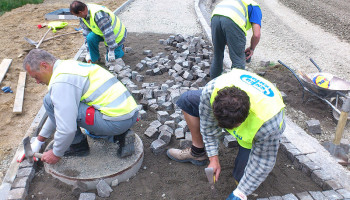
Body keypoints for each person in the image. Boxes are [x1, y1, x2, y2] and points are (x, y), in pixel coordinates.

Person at [167, 68, 286, 200]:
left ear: (244, 117)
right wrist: (213, 158)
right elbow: (208, 127)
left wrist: (241, 192)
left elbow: (263, 162)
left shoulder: (268, 123)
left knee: (242, 179)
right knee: (187, 100)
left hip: (259, 129)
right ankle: (198, 153)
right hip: (230, 106)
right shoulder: (211, 91)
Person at [18, 49, 139, 165]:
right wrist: (39, 141)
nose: (37, 82)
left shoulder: (61, 81)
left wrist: (56, 153)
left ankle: (78, 146)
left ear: (44, 65)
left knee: (51, 101)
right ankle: (120, 136)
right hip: (130, 114)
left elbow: (67, 127)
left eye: (36, 77)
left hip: (116, 121)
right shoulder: (68, 66)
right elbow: (58, 112)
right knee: (56, 103)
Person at [210, 0, 262, 79]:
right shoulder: (254, 6)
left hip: (215, 17)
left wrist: (231, 42)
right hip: (232, 20)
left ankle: (212, 88)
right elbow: (256, 35)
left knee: (217, 56)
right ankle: (235, 90)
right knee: (238, 61)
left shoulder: (236, 2)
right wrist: (251, 48)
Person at [70, 1, 127, 65]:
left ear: (80, 12)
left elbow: (108, 33)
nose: (77, 17)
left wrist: (111, 50)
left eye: (77, 15)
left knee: (112, 62)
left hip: (116, 35)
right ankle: (95, 60)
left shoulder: (98, 15)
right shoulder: (83, 16)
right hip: (103, 32)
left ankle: (120, 48)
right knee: (90, 38)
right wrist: (89, 52)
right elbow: (86, 33)